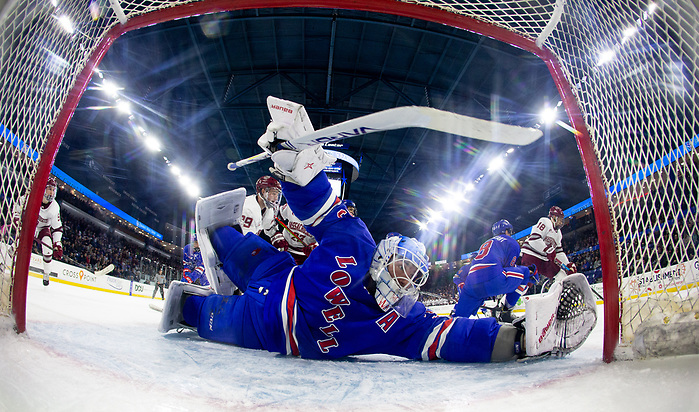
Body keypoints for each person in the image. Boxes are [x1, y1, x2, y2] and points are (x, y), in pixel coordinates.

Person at [158, 115, 597, 362]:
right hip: (284, 277)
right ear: (384, 257)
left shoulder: (402, 324)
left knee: (195, 311)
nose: (406, 285)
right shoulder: (355, 240)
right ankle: (221, 236)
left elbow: (453, 337)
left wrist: (518, 339)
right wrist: (297, 167)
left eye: (414, 281)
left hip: (265, 327)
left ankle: (191, 301)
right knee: (234, 244)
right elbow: (317, 206)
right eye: (404, 270)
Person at [451, 220, 538, 322]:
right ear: (506, 231)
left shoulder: (485, 244)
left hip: (472, 286)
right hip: (494, 278)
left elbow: (458, 277)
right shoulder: (511, 242)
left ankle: (452, 320)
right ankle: (506, 312)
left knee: (454, 321)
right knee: (525, 272)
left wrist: (462, 289)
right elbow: (508, 268)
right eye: (509, 231)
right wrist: (531, 273)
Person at [13, 176, 63, 286]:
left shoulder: (54, 207)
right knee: (16, 243)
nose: (51, 192)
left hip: (43, 229)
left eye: (53, 190)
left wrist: (57, 244)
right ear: (43, 188)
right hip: (28, 225)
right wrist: (17, 220)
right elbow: (17, 209)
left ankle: (46, 273)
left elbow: (57, 228)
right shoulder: (31, 196)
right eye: (49, 189)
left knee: (47, 246)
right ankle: (7, 262)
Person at [521, 206, 576, 284]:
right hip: (531, 256)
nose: (561, 222)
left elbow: (559, 252)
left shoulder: (559, 234)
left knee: (561, 276)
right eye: (559, 219)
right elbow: (534, 240)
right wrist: (548, 250)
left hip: (544, 259)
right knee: (526, 282)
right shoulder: (545, 222)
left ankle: (559, 295)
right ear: (553, 217)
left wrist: (568, 264)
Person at [240, 176, 283, 245]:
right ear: (263, 191)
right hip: (235, 246)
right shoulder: (248, 208)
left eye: (277, 195)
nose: (276, 198)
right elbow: (246, 239)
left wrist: (276, 235)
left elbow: (268, 227)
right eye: (274, 194)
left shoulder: (269, 208)